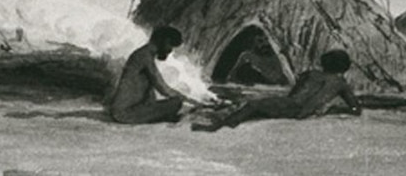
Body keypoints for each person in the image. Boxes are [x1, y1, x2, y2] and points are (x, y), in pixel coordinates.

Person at [191, 49, 361, 132]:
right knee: (261, 108)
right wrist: (331, 108)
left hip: (293, 106)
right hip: (304, 111)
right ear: (344, 67)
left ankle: (222, 125)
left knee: (252, 105)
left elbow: (294, 95)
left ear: (324, 62)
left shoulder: (311, 74)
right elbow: (355, 109)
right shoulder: (341, 84)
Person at [109, 26, 199, 124]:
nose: (170, 50)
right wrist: (189, 100)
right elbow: (163, 88)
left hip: (123, 111)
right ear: (164, 41)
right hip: (124, 114)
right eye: (170, 45)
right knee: (176, 103)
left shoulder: (143, 54)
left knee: (169, 101)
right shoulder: (144, 56)